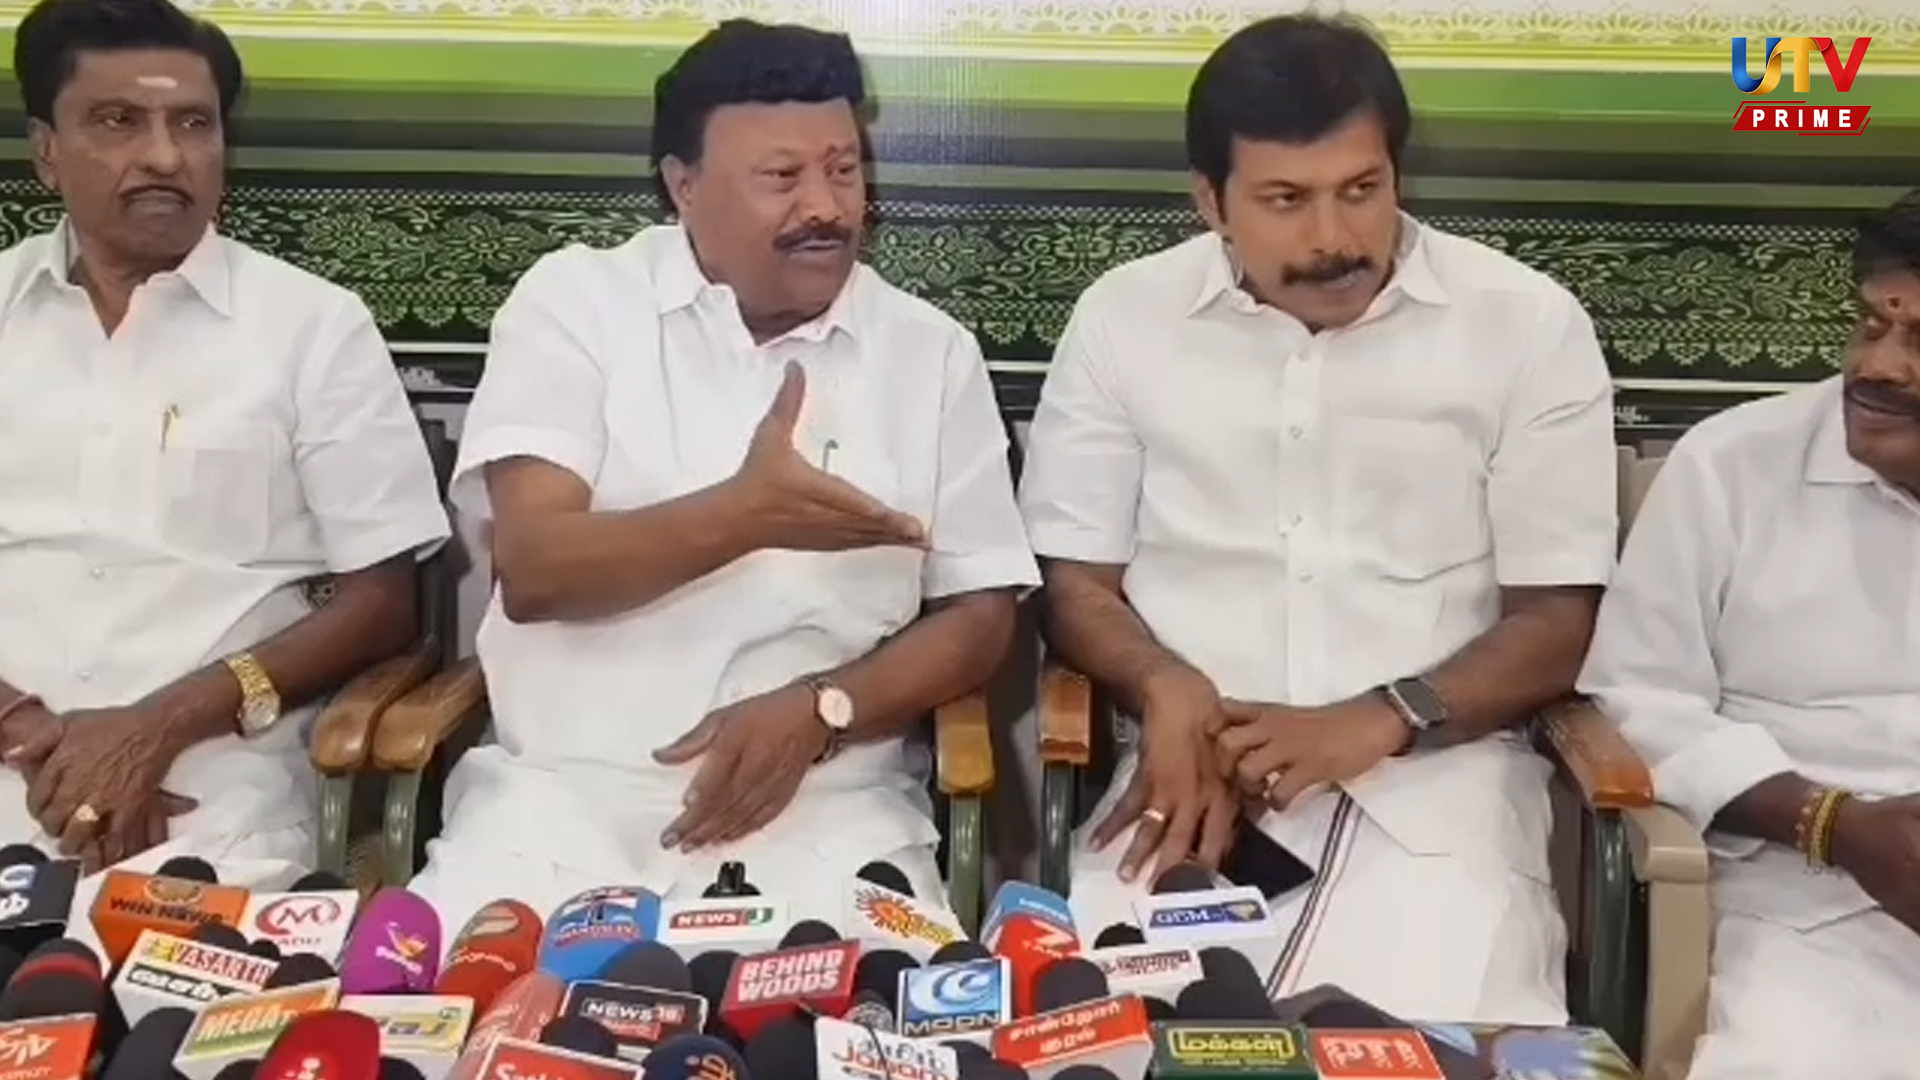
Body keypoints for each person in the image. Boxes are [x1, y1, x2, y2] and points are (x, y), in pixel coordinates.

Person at [1019, 14, 1617, 1023]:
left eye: (1362, 189)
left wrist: (1382, 719)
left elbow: (1560, 617)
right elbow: (1073, 582)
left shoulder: (1525, 325)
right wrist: (1163, 683)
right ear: (1210, 200)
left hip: (1438, 801)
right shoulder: (1124, 319)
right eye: (1286, 200)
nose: (1334, 239)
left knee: (1412, 1051)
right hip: (1190, 791)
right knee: (1099, 1042)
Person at [406, 19, 1037, 935]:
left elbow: (981, 615)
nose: (826, 207)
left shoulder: (929, 352)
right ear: (684, 185)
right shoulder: (575, 305)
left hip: (827, 809)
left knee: (873, 1013)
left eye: (844, 170)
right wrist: (745, 516)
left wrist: (827, 708)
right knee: (439, 1012)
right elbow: (536, 570)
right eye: (782, 177)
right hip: (560, 809)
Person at [0, 0, 449, 923]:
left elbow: (382, 603)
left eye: (193, 124)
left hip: (213, 796)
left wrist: (157, 726)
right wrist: (31, 734)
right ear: (46, 151)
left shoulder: (312, 327)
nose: (165, 156)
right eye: (119, 121)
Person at [1578, 191, 1920, 1077]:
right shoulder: (1734, 465)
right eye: (1870, 324)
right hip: (1810, 899)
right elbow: (1638, 700)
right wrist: (1836, 824)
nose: (1877, 366)